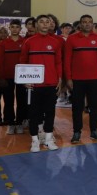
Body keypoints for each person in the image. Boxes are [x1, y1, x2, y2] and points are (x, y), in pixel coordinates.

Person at [20, 14, 63, 152]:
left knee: (50, 112)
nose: (45, 24)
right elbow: (23, 62)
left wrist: (60, 79)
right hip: (34, 85)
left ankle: (49, 139)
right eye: (42, 22)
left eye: (47, 22)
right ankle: (34, 141)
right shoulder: (29, 42)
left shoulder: (55, 42)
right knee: (34, 114)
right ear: (37, 25)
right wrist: (25, 81)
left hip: (51, 84)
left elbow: (58, 63)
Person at [65, 14, 97, 143]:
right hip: (77, 80)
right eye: (84, 22)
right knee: (77, 107)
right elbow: (67, 60)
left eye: (90, 22)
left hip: (95, 79)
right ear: (80, 24)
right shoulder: (71, 39)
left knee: (94, 107)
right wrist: (68, 78)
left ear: (93, 24)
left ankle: (94, 130)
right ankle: (77, 132)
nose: (87, 24)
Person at [0, 19, 27, 134]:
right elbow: (0, 61)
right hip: (7, 77)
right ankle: (10, 123)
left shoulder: (25, 42)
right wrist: (1, 77)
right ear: (9, 28)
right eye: (12, 27)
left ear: (20, 29)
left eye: (17, 27)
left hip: (22, 77)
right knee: (8, 101)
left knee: (21, 101)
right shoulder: (3, 43)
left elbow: (27, 60)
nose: (14, 29)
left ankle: (19, 123)